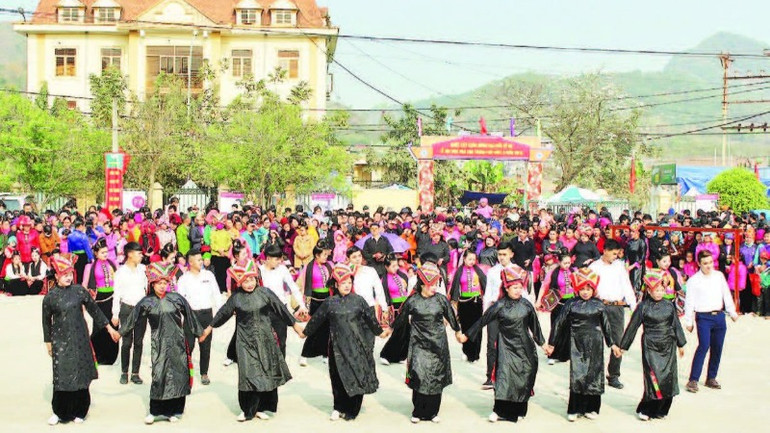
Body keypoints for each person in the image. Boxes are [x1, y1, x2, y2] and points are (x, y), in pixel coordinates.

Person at [200, 260, 303, 422]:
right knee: (248, 374)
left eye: (251, 279)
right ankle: (247, 409)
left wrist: (296, 326)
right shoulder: (236, 298)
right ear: (239, 282)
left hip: (265, 339)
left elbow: (281, 310)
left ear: (257, 278)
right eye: (245, 281)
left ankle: (261, 408)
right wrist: (209, 328)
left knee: (265, 371)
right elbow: (223, 314)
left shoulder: (265, 293)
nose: (249, 284)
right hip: (245, 341)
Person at [300, 263, 391, 421]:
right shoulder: (329, 302)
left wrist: (380, 332)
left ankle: (352, 409)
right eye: (343, 283)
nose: (347, 286)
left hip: (357, 344)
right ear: (336, 284)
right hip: (336, 346)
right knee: (337, 377)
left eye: (350, 282)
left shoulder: (359, 300)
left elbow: (371, 320)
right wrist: (304, 332)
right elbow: (316, 320)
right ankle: (338, 407)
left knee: (356, 375)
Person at [119, 262, 203, 425]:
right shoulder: (147, 302)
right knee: (159, 374)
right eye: (159, 283)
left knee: (178, 375)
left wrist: (199, 333)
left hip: (177, 341)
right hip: (159, 342)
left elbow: (190, 315)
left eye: (165, 283)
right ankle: (155, 411)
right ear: (152, 283)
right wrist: (119, 333)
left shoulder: (176, 298)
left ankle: (174, 410)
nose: (162, 286)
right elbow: (132, 319)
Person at [42, 254, 120, 425]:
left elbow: (95, 311)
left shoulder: (79, 291)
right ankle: (59, 411)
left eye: (70, 274)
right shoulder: (50, 297)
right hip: (60, 341)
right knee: (61, 374)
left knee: (80, 373)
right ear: (56, 276)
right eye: (64, 274)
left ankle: (80, 410)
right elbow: (46, 321)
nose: (69, 277)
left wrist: (109, 328)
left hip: (80, 338)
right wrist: (48, 342)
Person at [463, 267, 546, 423]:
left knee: (523, 376)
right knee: (504, 377)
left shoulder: (527, 305)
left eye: (520, 287)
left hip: (525, 347)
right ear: (506, 288)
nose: (518, 290)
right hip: (506, 346)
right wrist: (467, 335)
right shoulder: (499, 305)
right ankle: (499, 410)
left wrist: (544, 345)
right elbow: (483, 320)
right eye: (514, 287)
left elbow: (535, 328)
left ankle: (520, 410)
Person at [391, 262, 463, 423]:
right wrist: (389, 329)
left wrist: (458, 331)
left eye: (436, 285)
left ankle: (432, 412)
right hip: (418, 343)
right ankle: (417, 411)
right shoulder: (413, 301)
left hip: (438, 343)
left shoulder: (441, 300)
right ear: (423, 284)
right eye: (431, 285)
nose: (434, 288)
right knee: (419, 374)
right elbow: (401, 319)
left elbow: (451, 317)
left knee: (436, 376)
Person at [546, 268, 620, 422]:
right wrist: (552, 344)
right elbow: (558, 324)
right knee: (578, 375)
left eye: (588, 289)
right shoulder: (570, 304)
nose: (585, 292)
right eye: (582, 289)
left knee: (594, 374)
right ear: (577, 289)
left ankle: (592, 408)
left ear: (593, 289)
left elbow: (606, 326)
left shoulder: (599, 304)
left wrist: (612, 344)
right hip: (576, 343)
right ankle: (575, 409)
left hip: (595, 342)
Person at [619, 269, 687, 421]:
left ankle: (662, 409)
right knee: (653, 378)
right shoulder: (643, 307)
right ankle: (647, 409)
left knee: (668, 378)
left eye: (662, 289)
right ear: (649, 290)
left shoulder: (669, 305)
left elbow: (675, 325)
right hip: (651, 346)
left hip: (668, 345)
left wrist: (681, 344)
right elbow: (632, 327)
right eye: (656, 290)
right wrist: (623, 346)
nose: (659, 292)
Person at [683, 250, 739, 393]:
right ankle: (693, 380)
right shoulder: (694, 280)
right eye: (705, 263)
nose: (709, 266)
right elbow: (689, 302)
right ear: (699, 264)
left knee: (717, 347)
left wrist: (732, 311)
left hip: (719, 316)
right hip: (703, 317)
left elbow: (726, 294)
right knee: (703, 346)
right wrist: (688, 321)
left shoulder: (719, 276)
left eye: (710, 262)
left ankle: (711, 377)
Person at [588, 239, 637, 389]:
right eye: (613, 253)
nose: (615, 256)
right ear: (605, 251)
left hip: (616, 307)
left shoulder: (619, 266)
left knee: (618, 341)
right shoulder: (594, 267)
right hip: (599, 306)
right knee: (595, 340)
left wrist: (633, 305)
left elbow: (627, 286)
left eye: (617, 254)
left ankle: (614, 374)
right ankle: (594, 373)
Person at [480, 242, 528, 389]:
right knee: (491, 344)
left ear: (511, 254)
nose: (501, 257)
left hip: (512, 312)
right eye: (499, 254)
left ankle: (510, 375)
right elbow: (488, 293)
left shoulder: (518, 271)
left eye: (504, 254)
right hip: (495, 310)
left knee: (512, 344)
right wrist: (485, 312)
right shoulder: (493, 271)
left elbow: (524, 293)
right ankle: (490, 377)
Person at [177, 248, 222, 385]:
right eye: (198, 260)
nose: (201, 261)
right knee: (188, 346)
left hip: (206, 314)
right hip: (191, 315)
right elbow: (180, 299)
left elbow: (216, 294)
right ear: (190, 262)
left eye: (202, 259)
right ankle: (186, 373)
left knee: (205, 346)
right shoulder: (184, 278)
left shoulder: (208, 275)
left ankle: (204, 373)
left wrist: (220, 311)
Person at [259, 244, 308, 357]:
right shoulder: (259, 271)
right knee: (264, 341)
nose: (280, 261)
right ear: (267, 258)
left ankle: (281, 371)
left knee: (281, 341)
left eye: (280, 258)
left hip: (281, 310)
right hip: (264, 310)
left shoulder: (282, 269)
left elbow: (293, 288)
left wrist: (302, 305)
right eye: (277, 259)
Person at [111, 242, 148, 385]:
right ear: (130, 254)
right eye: (138, 253)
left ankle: (135, 373)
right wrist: (115, 314)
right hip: (127, 309)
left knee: (139, 342)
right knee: (126, 342)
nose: (141, 256)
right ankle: (124, 372)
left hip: (141, 309)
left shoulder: (143, 269)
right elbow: (117, 294)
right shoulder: (121, 272)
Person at [82, 238, 119, 365]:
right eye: (102, 252)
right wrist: (83, 301)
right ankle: (97, 355)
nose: (105, 254)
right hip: (99, 298)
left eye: (106, 252)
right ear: (96, 253)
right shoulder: (90, 266)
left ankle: (110, 357)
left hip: (113, 296)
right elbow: (84, 285)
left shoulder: (113, 263)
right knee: (99, 326)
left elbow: (120, 279)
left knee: (113, 324)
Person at [298, 243, 333, 366]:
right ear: (317, 255)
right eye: (324, 255)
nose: (326, 257)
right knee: (313, 328)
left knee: (327, 328)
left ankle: (325, 353)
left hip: (327, 299)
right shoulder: (309, 267)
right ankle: (304, 354)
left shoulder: (329, 266)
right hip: (314, 300)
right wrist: (304, 305)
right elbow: (303, 286)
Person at [536, 252, 574, 364]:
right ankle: (552, 354)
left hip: (570, 302)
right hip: (558, 302)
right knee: (556, 327)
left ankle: (565, 355)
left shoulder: (573, 270)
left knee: (568, 328)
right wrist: (538, 301)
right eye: (565, 263)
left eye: (569, 262)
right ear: (559, 262)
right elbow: (544, 286)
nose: (567, 265)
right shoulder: (553, 273)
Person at [449, 250, 487, 363]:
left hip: (476, 302)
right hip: (464, 303)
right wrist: (454, 301)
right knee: (466, 327)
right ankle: (467, 351)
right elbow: (455, 287)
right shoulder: (459, 271)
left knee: (477, 328)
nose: (472, 261)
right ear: (464, 259)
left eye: (473, 259)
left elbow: (485, 284)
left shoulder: (478, 270)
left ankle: (475, 354)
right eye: (469, 259)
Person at [379, 254, 413, 365]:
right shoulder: (384, 280)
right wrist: (386, 309)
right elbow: (384, 296)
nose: (396, 268)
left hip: (406, 304)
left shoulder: (402, 275)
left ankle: (400, 356)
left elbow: (408, 289)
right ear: (386, 267)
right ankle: (385, 354)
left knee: (407, 331)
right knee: (398, 332)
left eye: (396, 265)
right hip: (396, 307)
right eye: (393, 266)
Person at [346, 246, 389, 323]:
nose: (357, 259)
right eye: (354, 257)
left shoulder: (370, 271)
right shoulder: (346, 272)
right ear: (348, 259)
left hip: (370, 308)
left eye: (359, 256)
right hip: (352, 310)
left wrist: (384, 309)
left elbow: (379, 291)